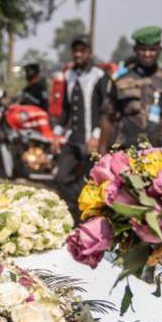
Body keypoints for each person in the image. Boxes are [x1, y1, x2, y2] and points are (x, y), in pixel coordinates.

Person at [98, 26, 162, 153]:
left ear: (159, 50)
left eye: (152, 49)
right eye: (143, 49)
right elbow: (107, 117)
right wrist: (102, 148)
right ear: (135, 50)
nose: (147, 54)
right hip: (127, 152)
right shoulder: (120, 80)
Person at [54, 34, 108, 218]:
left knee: (87, 182)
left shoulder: (99, 75)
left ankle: (84, 219)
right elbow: (66, 108)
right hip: (73, 138)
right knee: (60, 177)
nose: (78, 54)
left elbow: (105, 110)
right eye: (75, 51)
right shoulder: (68, 75)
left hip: (91, 139)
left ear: (90, 53)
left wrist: (97, 135)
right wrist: (56, 133)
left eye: (82, 50)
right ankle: (74, 214)